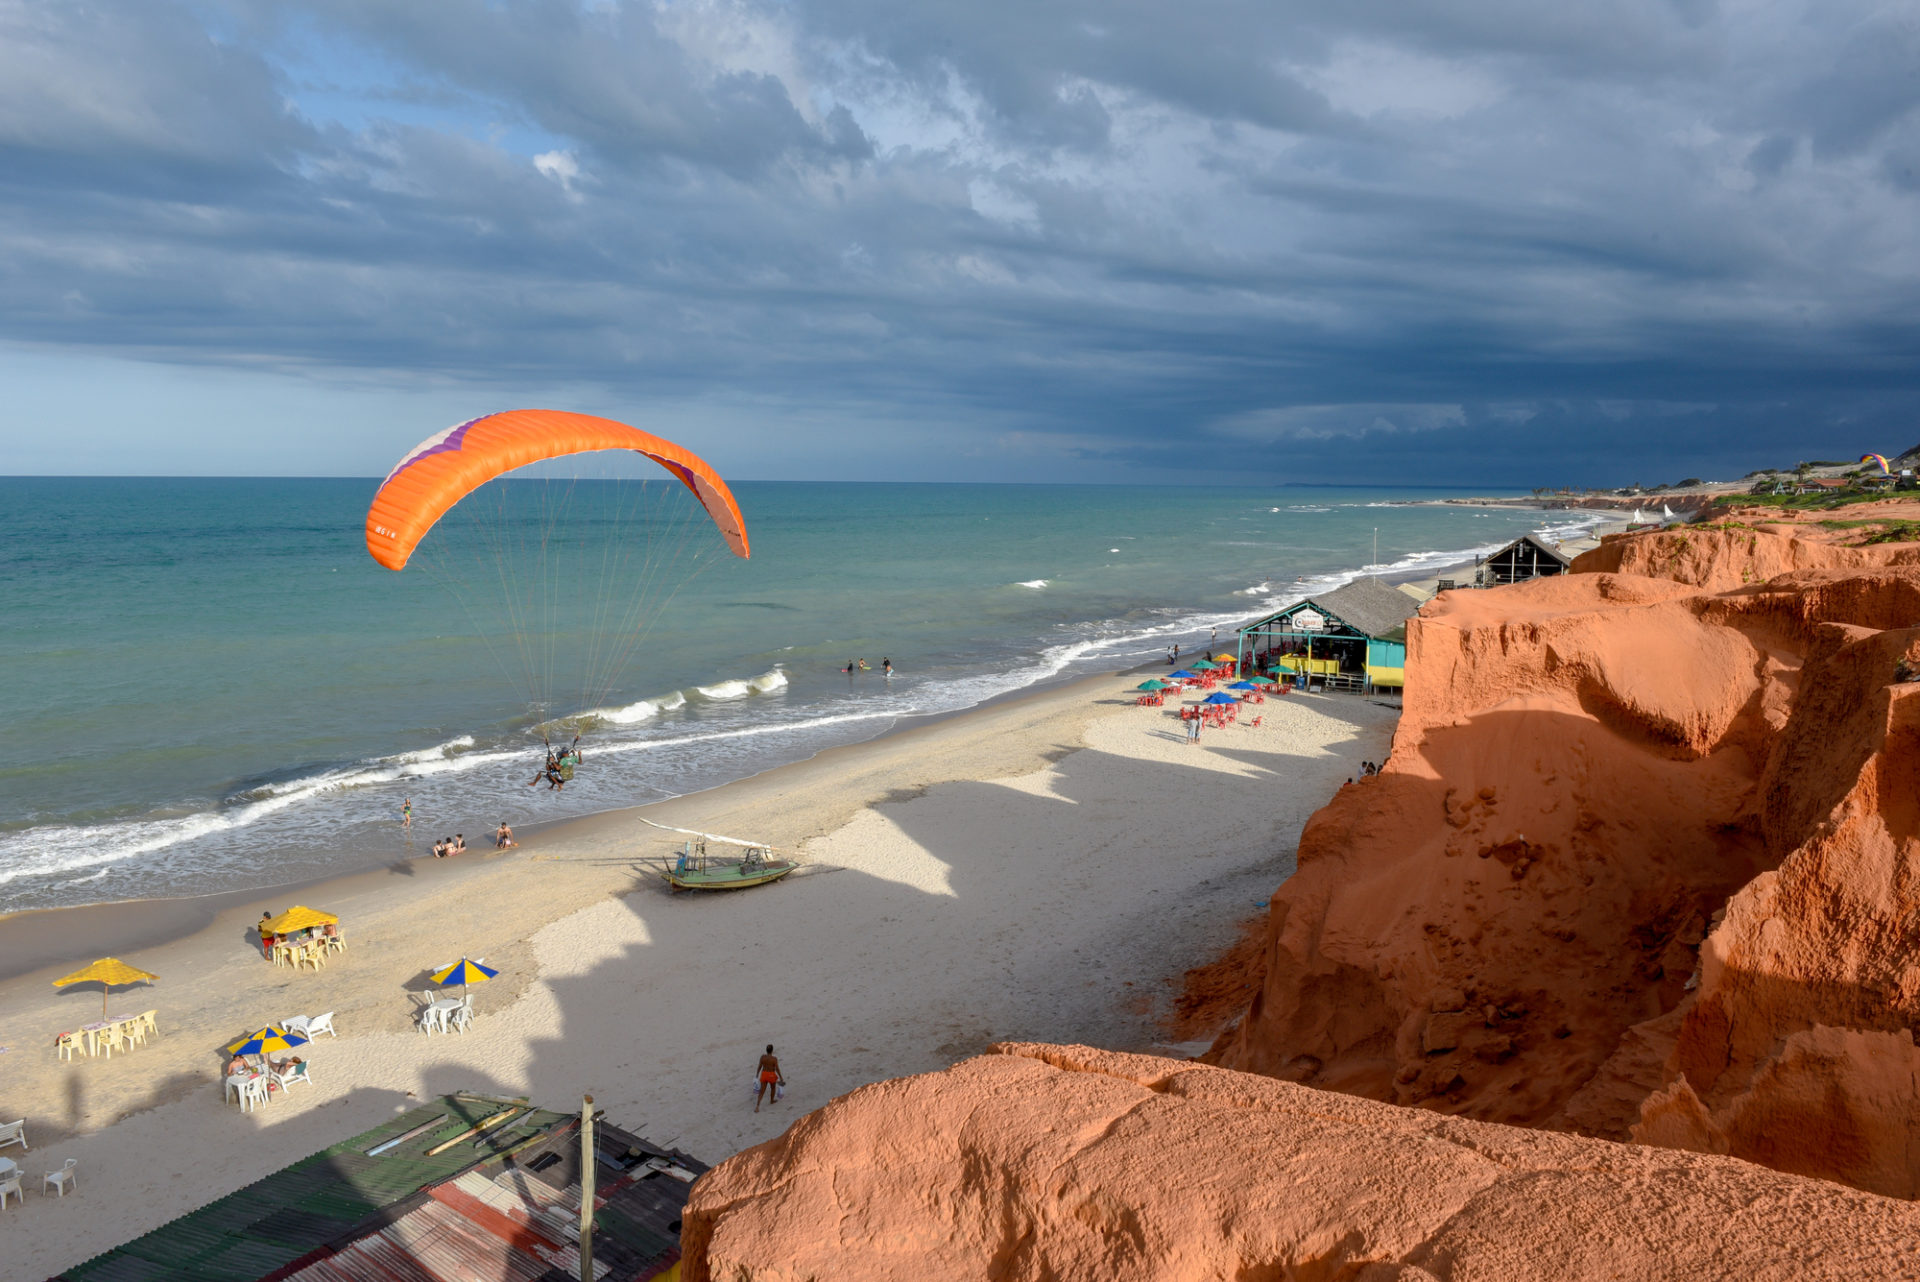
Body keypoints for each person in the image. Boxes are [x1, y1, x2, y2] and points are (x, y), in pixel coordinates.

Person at [754, 1045, 785, 1113]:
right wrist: (781, 1077)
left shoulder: (762, 1057)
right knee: (773, 1088)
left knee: (762, 1092)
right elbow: (777, 1069)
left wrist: (757, 1074)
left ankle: (757, 1106)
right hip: (771, 1075)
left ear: (766, 1050)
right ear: (772, 1050)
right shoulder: (774, 1059)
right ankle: (771, 1100)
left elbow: (759, 1066)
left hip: (764, 1074)